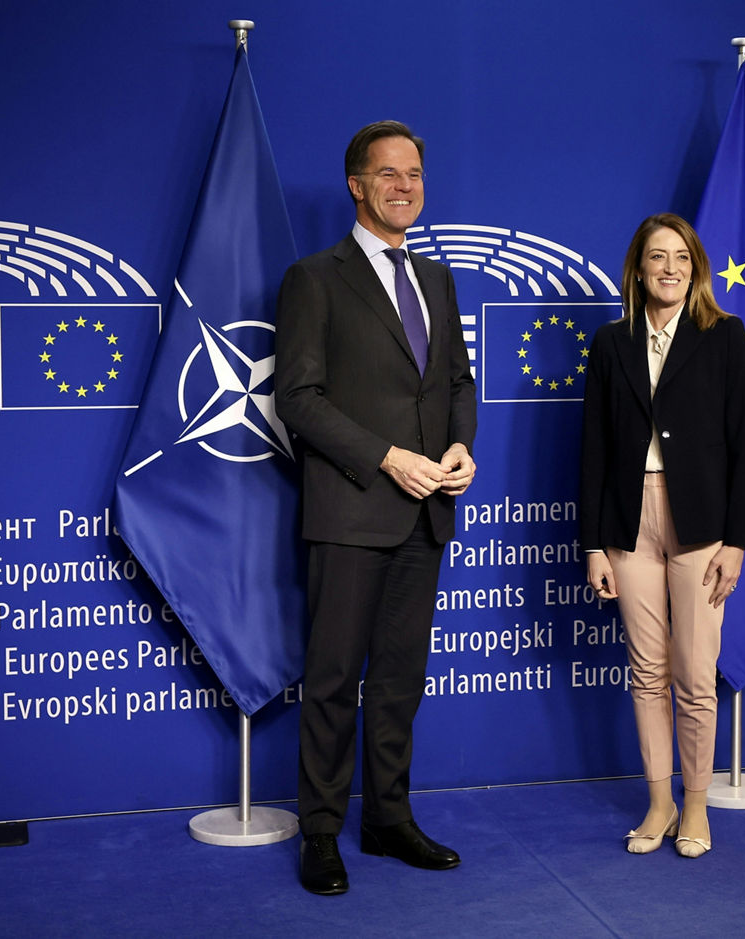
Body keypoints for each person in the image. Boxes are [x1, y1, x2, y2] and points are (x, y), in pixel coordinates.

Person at [275, 120, 478, 895]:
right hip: (353, 508)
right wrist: (387, 457)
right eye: (388, 174)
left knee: (400, 679)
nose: (405, 186)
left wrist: (460, 448)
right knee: (333, 679)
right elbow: (298, 398)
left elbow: (455, 382)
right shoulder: (314, 279)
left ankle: (388, 818)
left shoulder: (437, 278)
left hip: (427, 514)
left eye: (414, 173)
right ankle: (321, 831)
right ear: (357, 185)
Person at [579, 212, 745, 859]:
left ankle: (697, 806)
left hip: (701, 525)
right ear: (638, 269)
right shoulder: (611, 343)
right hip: (629, 526)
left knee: (695, 672)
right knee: (647, 671)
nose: (670, 268)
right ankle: (660, 803)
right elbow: (594, 450)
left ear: (696, 268)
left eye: (681, 257)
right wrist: (594, 544)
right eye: (658, 257)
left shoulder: (724, 336)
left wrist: (736, 540)